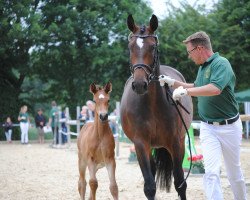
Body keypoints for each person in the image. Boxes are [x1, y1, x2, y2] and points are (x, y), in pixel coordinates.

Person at [159, 31, 247, 199]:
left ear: (199, 48)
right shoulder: (203, 68)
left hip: (229, 127)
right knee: (211, 172)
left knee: (234, 174)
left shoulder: (222, 64)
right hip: (208, 128)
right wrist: (173, 82)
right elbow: (196, 86)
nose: (189, 56)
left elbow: (215, 89)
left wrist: (186, 91)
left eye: (190, 52)